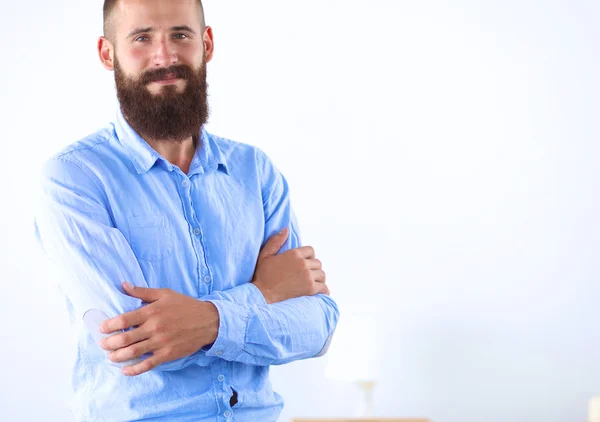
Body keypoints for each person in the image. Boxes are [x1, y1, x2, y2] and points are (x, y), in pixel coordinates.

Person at [32, 0, 339, 420]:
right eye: (142, 38)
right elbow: (138, 340)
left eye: (180, 35)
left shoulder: (255, 172)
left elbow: (317, 325)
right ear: (108, 53)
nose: (165, 56)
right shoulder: (74, 178)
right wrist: (265, 293)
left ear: (206, 43)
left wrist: (201, 321)